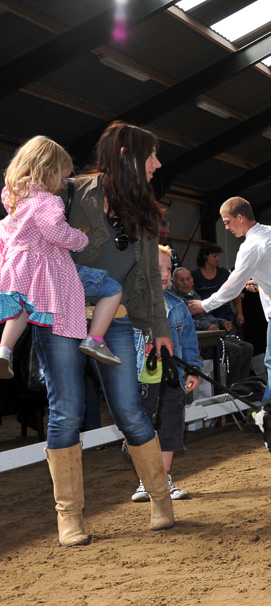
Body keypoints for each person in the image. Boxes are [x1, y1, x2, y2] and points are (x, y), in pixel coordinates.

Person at [31, 121, 176, 546]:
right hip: (58, 316)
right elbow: (26, 229)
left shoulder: (147, 211)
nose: (158, 164)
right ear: (128, 156)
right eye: (151, 155)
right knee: (66, 411)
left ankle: (161, 500)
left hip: (116, 318)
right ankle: (69, 516)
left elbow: (148, 273)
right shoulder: (69, 192)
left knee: (130, 410)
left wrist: (160, 329)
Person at [1, 135, 124, 379]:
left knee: (22, 310)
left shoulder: (13, 196)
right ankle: (95, 339)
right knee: (112, 289)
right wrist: (79, 239)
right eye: (61, 177)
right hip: (44, 267)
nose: (61, 185)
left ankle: (4, 351)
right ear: (49, 171)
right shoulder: (48, 201)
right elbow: (54, 232)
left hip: (16, 266)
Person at [187, 197, 271, 404]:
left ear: (240, 217)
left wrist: (204, 304)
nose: (226, 227)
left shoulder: (251, 245)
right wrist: (260, 282)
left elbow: (232, 285)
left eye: (227, 221)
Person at [132, 246, 200, 502]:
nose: (164, 274)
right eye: (157, 268)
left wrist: (192, 370)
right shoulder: (129, 307)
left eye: (167, 269)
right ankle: (145, 480)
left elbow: (189, 341)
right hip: (138, 379)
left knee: (170, 428)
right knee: (142, 431)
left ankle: (163, 479)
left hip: (171, 379)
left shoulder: (178, 306)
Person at [169, 267, 254, 387]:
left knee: (247, 347)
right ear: (173, 282)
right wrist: (207, 326)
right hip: (201, 341)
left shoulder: (193, 295)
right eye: (181, 280)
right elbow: (185, 323)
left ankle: (242, 385)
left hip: (215, 334)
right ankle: (232, 389)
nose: (185, 283)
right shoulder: (175, 300)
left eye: (188, 279)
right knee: (235, 350)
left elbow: (206, 315)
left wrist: (222, 321)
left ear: (192, 280)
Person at [192, 242, 243, 330]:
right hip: (206, 317)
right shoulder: (194, 275)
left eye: (218, 256)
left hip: (226, 314)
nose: (217, 259)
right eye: (214, 256)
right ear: (205, 256)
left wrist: (239, 313)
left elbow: (235, 294)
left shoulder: (224, 273)